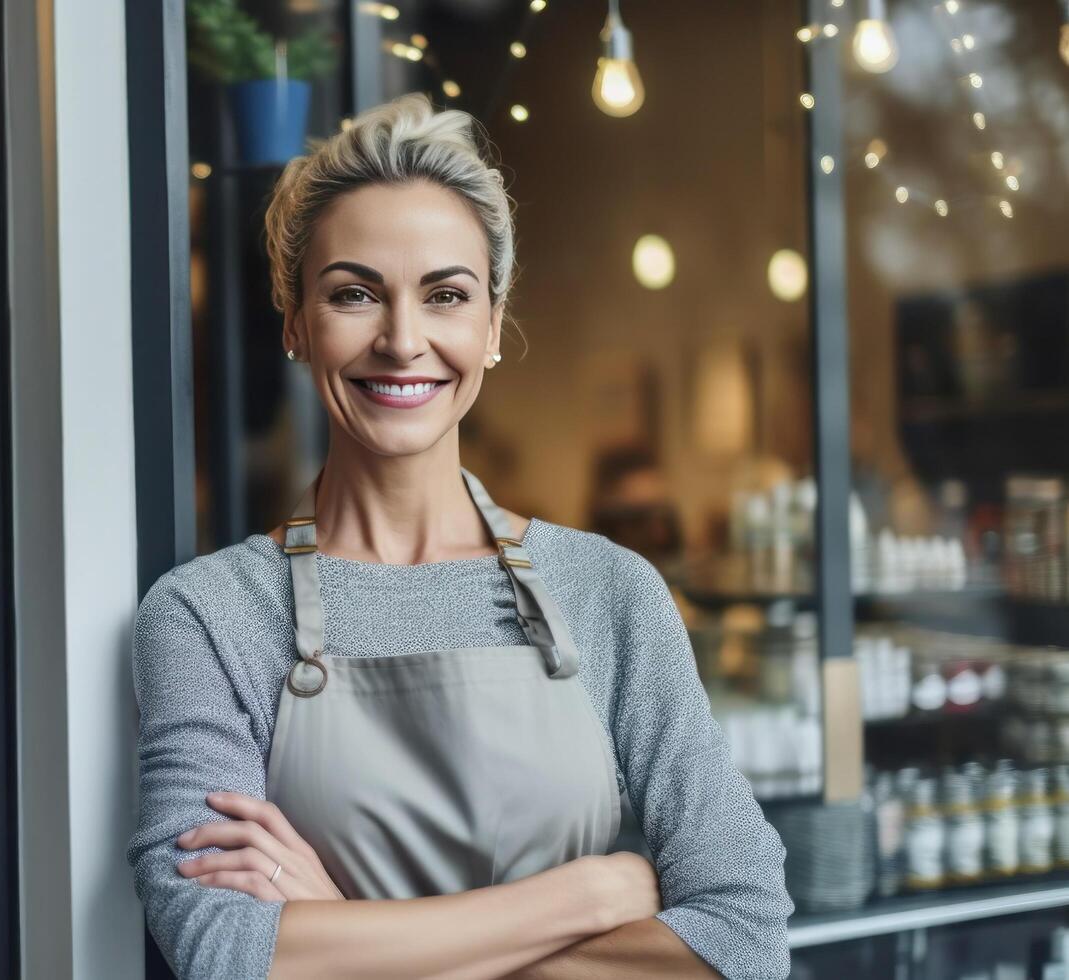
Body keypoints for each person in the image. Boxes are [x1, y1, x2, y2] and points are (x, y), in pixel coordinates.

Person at [128, 95, 792, 979]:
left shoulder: (607, 590)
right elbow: (220, 950)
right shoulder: (208, 615)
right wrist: (590, 897)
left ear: (489, 328)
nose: (403, 341)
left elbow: (745, 939)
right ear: (295, 323)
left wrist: (338, 930)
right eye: (354, 294)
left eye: (444, 295)